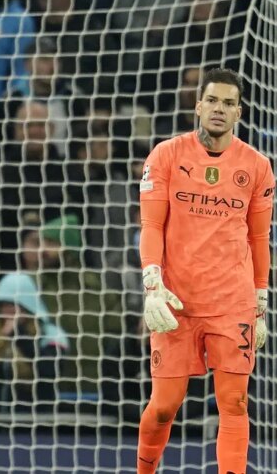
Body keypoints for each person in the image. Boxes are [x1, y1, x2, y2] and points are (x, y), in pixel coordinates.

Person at [137, 68, 274, 473]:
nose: (219, 109)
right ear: (198, 105)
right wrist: (151, 284)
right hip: (175, 300)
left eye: (228, 103)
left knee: (234, 402)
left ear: (239, 113)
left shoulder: (258, 166)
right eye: (212, 100)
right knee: (164, 407)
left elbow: (259, 239)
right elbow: (152, 225)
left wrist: (261, 300)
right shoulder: (166, 155)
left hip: (232, 302)